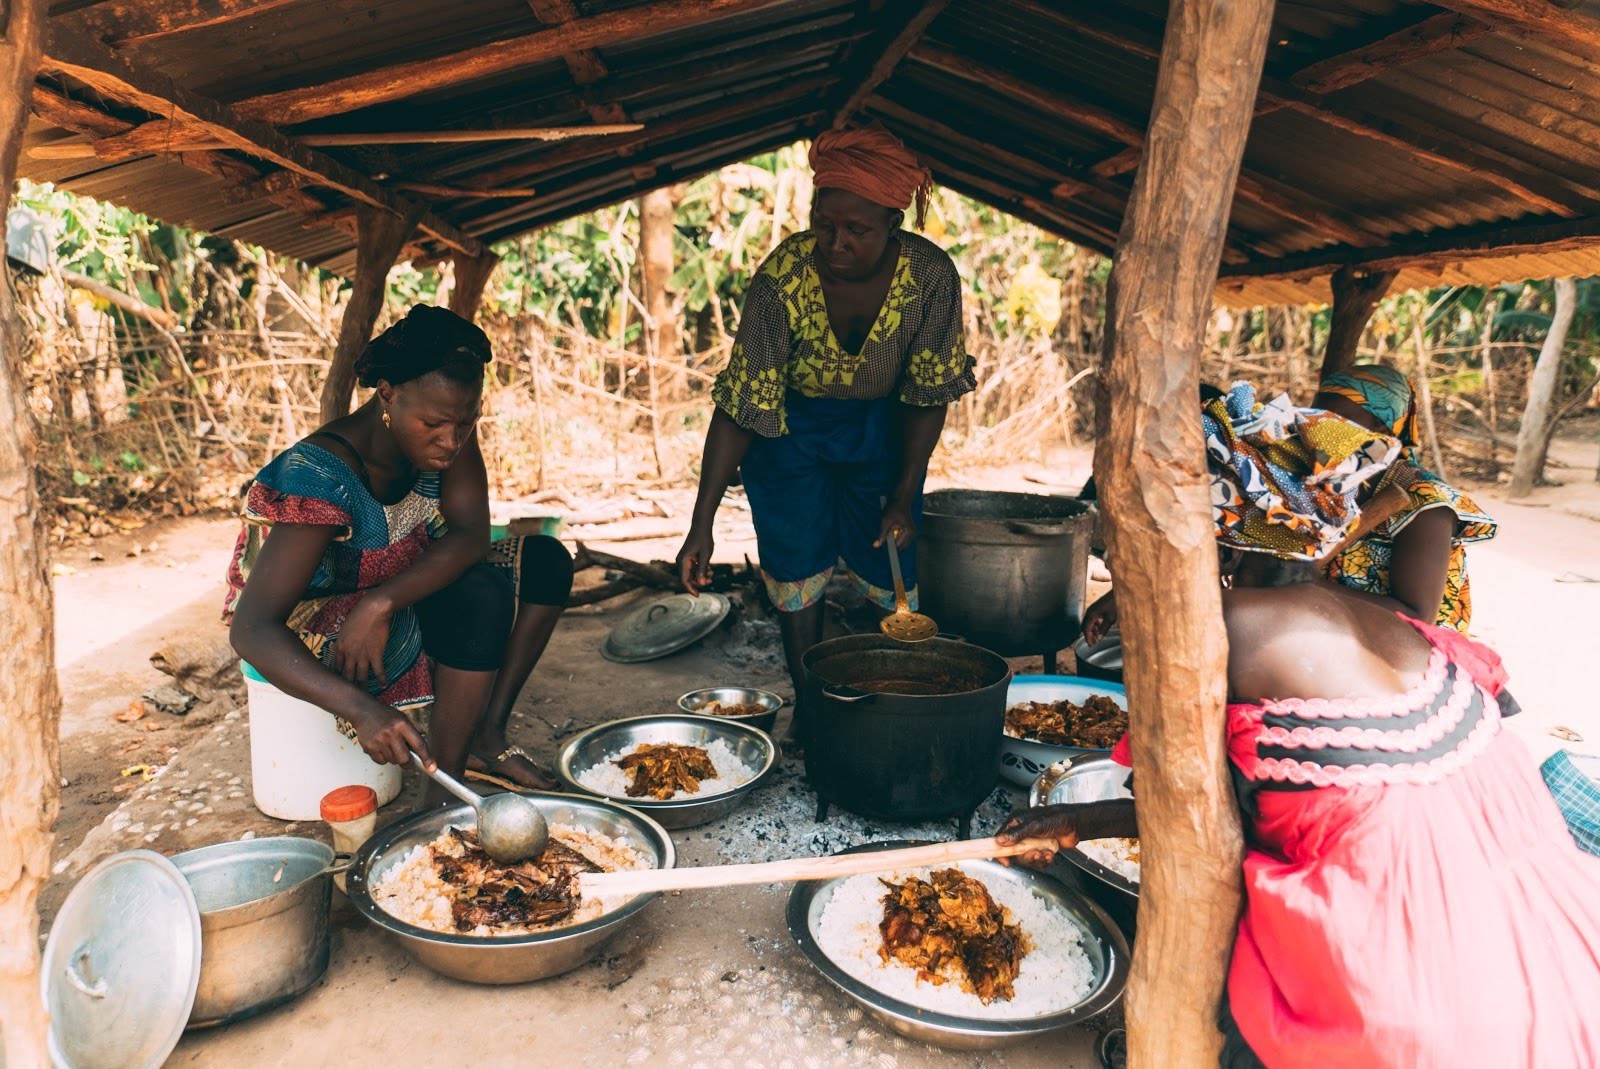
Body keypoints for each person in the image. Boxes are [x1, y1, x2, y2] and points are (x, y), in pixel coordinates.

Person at [999, 398, 1600, 1068]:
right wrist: (1078, 819)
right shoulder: (1380, 617)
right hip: (1535, 944)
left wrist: (1078, 817)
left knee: (1242, 978)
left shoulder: (1228, 630)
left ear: (1216, 531)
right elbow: (1261, 797)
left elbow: (1191, 820)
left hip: (1405, 973)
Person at [675, 128, 975, 736]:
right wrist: (699, 523)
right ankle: (813, 712)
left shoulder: (930, 278)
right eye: (824, 224)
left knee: (891, 567)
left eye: (857, 230)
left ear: (893, 222)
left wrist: (902, 495)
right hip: (790, 435)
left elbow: (928, 395)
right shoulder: (782, 277)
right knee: (793, 564)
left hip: (884, 434)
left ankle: (890, 708)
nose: (836, 244)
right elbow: (741, 404)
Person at [226, 305, 573, 802]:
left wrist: (382, 601)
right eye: (433, 423)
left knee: (544, 561)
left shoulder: (448, 428)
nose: (451, 441)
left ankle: (483, 736)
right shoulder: (320, 476)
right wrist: (363, 709)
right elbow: (251, 627)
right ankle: (444, 796)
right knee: (482, 595)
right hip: (317, 622)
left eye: (466, 422)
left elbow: (472, 533)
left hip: (389, 589)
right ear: (387, 394)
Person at [1313, 364, 1495, 631]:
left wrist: (1311, 586)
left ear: (1382, 428)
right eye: (1315, 415)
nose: (1317, 427)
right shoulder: (1324, 483)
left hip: (1410, 653)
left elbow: (1418, 616)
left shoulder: (1425, 503)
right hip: (1336, 629)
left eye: (1336, 419)